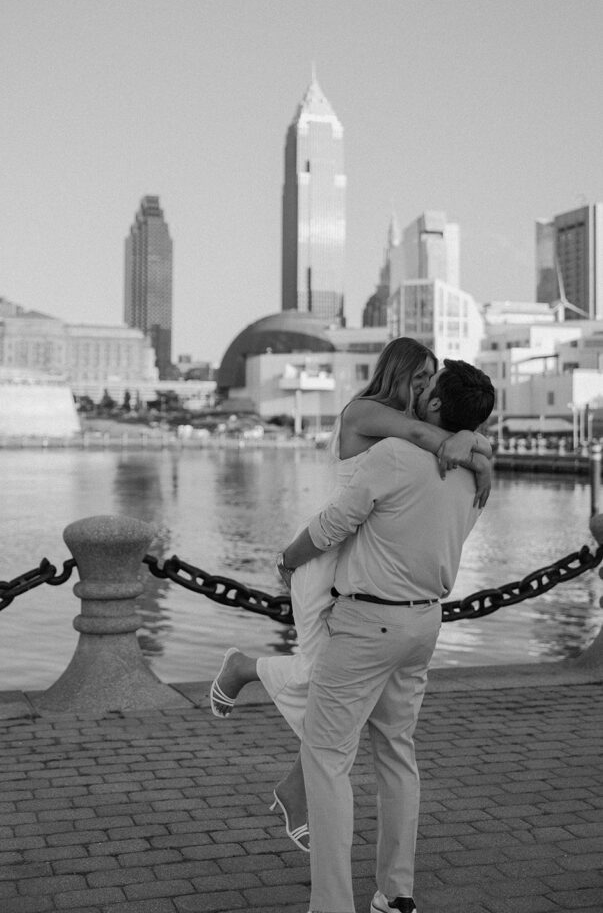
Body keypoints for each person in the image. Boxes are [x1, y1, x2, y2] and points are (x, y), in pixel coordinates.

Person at [209, 340, 493, 851]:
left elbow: (431, 435)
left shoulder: (406, 435)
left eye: (434, 379)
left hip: (355, 561)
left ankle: (294, 788)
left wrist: (474, 439)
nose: (428, 387)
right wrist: (474, 443)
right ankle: (243, 670)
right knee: (328, 680)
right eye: (421, 377)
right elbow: (423, 433)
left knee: (342, 697)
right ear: (399, 374)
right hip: (324, 559)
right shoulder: (366, 413)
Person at [280, 359, 495, 913]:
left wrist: (288, 559)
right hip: (424, 624)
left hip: (366, 623)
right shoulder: (475, 468)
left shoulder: (395, 454)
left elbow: (333, 524)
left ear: (439, 407)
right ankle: (396, 894)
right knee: (398, 757)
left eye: (430, 388)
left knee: (327, 760)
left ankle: (330, 905)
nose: (421, 392)